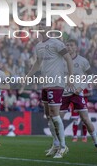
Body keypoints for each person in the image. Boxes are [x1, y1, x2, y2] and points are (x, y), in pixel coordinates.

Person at [26, 19, 74, 159]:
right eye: (39, 24)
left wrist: (70, 77)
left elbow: (68, 59)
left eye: (43, 24)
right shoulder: (39, 46)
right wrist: (27, 76)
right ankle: (56, 143)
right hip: (45, 84)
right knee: (48, 115)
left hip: (56, 83)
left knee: (54, 114)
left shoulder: (57, 43)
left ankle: (63, 147)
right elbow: (37, 63)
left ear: (49, 27)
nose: (41, 26)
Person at [60, 39, 97, 154]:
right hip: (65, 93)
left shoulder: (83, 61)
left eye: (71, 45)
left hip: (77, 94)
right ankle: (59, 144)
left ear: (76, 47)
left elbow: (90, 76)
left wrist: (82, 87)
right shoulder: (61, 61)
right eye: (67, 45)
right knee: (58, 119)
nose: (69, 47)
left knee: (85, 119)